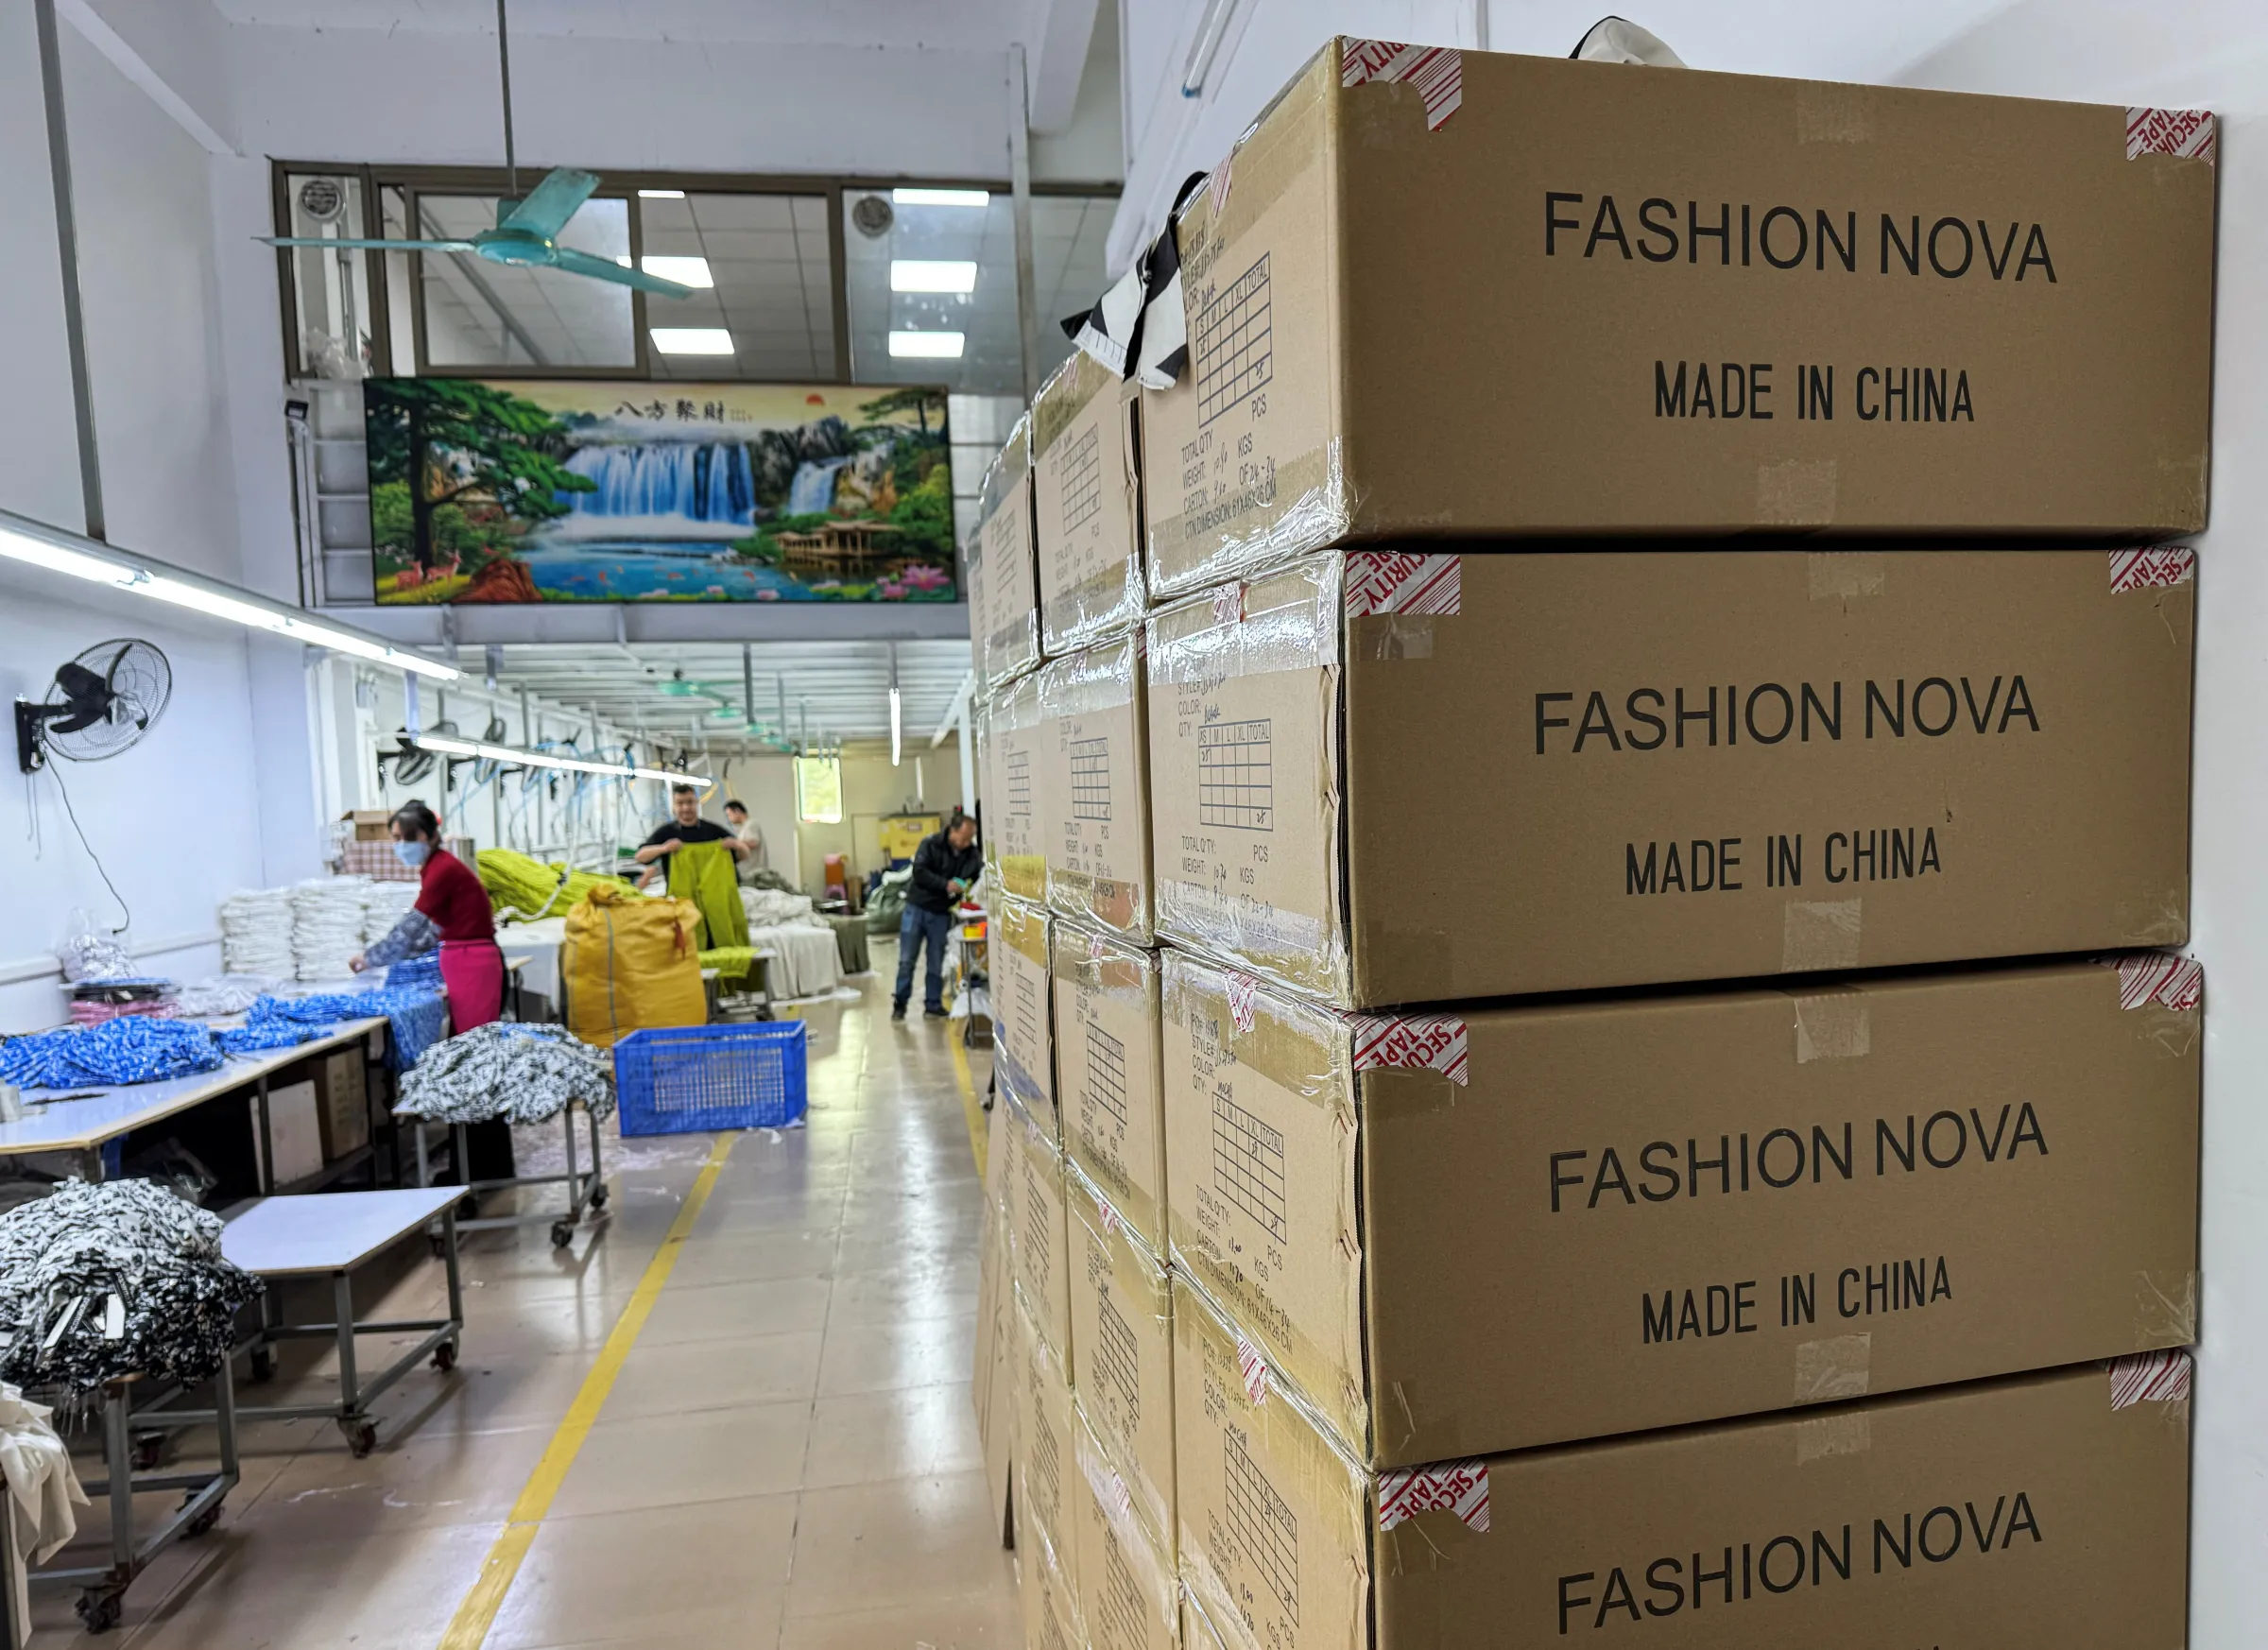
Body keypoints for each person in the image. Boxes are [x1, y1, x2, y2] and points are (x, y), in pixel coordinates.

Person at [349, 800, 504, 1031]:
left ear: (427, 835)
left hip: (472, 961)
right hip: (461, 960)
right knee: (468, 1037)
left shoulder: (443, 870)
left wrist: (370, 958)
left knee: (476, 1040)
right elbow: (431, 933)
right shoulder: (434, 867)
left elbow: (411, 928)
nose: (400, 845)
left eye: (406, 837)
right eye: (395, 838)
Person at [893, 811, 980, 1022]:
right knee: (907, 960)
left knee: (935, 960)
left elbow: (975, 873)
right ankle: (900, 1004)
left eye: (971, 838)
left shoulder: (971, 853)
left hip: (940, 913)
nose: (968, 842)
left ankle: (933, 1004)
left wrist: (964, 886)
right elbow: (920, 872)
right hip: (916, 909)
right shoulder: (930, 844)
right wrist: (945, 884)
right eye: (965, 837)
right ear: (953, 830)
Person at [632, 783, 750, 888]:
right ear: (674, 806)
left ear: (696, 803)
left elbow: (744, 856)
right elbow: (640, 856)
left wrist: (737, 845)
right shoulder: (666, 832)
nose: (686, 807)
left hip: (714, 892)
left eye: (690, 802)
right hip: (683, 897)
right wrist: (664, 848)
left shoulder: (713, 830)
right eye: (680, 803)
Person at [723, 798, 765, 882]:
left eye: (729, 815)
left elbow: (753, 842)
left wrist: (733, 843)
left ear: (737, 811)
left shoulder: (751, 824)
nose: (729, 819)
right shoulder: (744, 827)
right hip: (748, 872)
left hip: (754, 873)